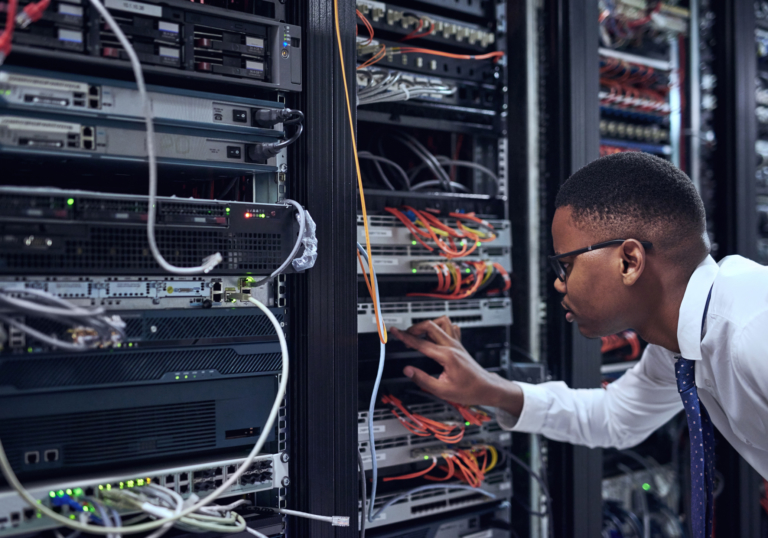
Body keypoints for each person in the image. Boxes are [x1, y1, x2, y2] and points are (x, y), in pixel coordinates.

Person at [391, 152, 768, 537]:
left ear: (629, 261)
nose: (559, 283)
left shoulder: (752, 332)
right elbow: (615, 419)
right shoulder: (680, 345)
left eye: (566, 265)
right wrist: (489, 390)